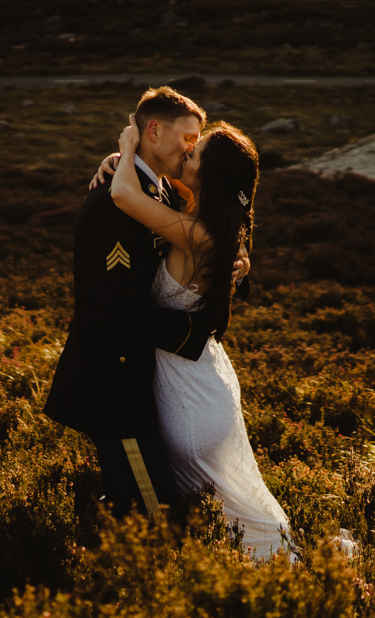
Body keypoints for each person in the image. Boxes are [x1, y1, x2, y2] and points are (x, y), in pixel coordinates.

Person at [98, 117, 299, 560]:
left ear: (208, 175)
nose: (186, 151)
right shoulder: (212, 227)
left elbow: (123, 195)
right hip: (203, 381)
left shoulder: (195, 233)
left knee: (209, 529)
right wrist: (118, 161)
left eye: (195, 152)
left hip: (186, 398)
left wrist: (128, 143)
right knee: (235, 524)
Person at [43, 88, 231, 519]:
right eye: (188, 136)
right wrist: (194, 333)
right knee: (154, 513)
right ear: (152, 130)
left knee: (138, 508)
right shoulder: (116, 202)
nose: (190, 147)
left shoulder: (157, 190)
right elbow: (118, 313)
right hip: (115, 389)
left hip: (141, 386)